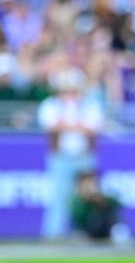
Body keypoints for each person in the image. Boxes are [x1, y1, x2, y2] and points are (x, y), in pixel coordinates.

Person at [37, 68, 104, 239]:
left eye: (73, 89)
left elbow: (92, 128)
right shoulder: (50, 104)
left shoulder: (90, 104)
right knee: (58, 196)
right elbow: (51, 126)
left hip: (84, 156)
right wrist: (76, 125)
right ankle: (54, 234)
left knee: (88, 197)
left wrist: (68, 124)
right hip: (60, 157)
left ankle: (87, 231)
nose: (70, 93)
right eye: (66, 89)